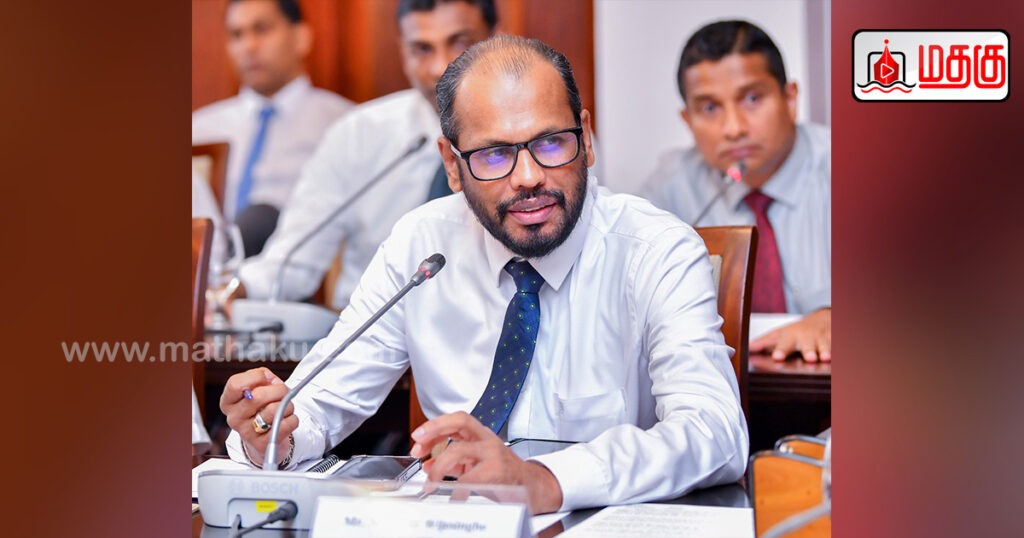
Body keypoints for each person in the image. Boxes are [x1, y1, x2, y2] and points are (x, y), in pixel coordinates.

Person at [220, 35, 747, 514]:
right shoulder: (420, 248)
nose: (529, 177)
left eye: (551, 143)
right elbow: (319, 402)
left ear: (586, 138)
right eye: (494, 154)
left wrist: (546, 481)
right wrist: (275, 432)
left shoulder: (656, 250)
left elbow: (714, 431)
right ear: (452, 166)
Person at [229, 0, 498, 309]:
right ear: (402, 52)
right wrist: (229, 290)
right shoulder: (357, 134)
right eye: (422, 49)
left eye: (460, 43)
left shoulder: (531, 138)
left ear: (495, 39)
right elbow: (292, 260)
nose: (440, 67)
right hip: (370, 327)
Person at [641, 20, 831, 362]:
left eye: (752, 99)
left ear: (790, 99)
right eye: (710, 108)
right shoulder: (670, 190)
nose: (733, 129)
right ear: (688, 120)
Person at [192, 0, 353, 254]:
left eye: (262, 29)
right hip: (210, 266)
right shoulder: (199, 130)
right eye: (237, 35)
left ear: (300, 38)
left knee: (260, 218)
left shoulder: (344, 124)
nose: (249, 46)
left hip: (302, 266)